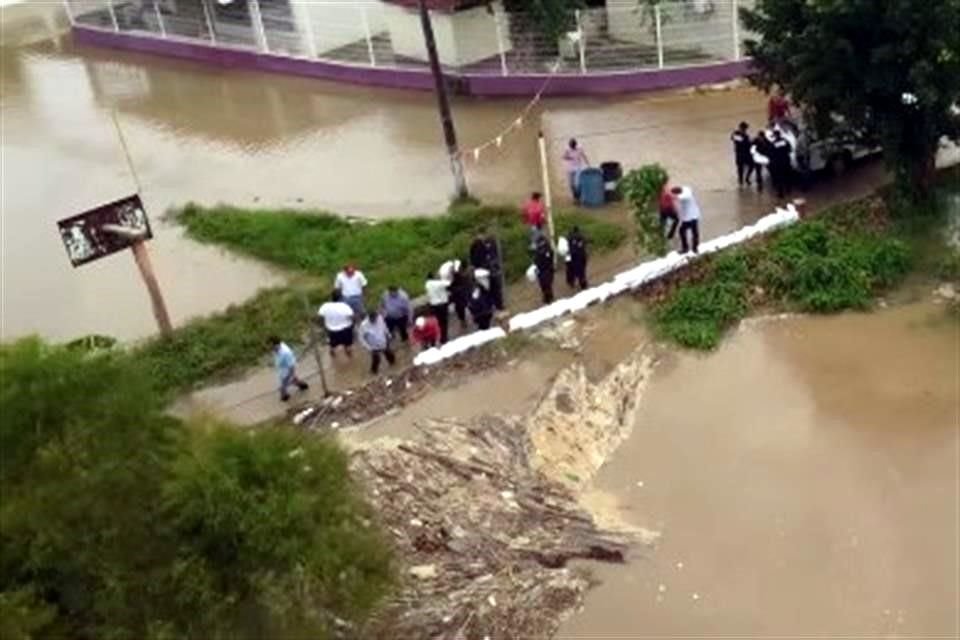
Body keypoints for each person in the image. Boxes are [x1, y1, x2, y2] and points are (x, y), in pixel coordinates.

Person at [469, 232, 504, 310]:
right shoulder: (480, 245)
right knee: (493, 288)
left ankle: (489, 306)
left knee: (485, 290)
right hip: (484, 269)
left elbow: (472, 259)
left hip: (479, 270)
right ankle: (498, 305)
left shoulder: (473, 246)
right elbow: (486, 255)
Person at [269, 336, 308, 402]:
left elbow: (291, 366)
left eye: (272, 346)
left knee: (283, 387)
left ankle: (284, 397)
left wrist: (289, 376)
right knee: (293, 381)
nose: (271, 348)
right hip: (282, 369)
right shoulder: (277, 348)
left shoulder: (286, 353)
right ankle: (302, 386)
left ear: (276, 345)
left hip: (287, 372)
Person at [317, 290, 355, 358]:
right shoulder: (345, 306)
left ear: (331, 297)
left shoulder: (325, 306)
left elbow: (320, 317)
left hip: (332, 331)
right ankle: (350, 358)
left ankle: (333, 356)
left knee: (332, 346)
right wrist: (352, 325)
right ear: (341, 298)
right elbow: (352, 317)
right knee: (348, 346)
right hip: (345, 330)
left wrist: (323, 326)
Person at [358, 310, 396, 375]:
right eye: (373, 319)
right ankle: (373, 373)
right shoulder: (363, 325)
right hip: (373, 346)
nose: (375, 320)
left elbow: (384, 327)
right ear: (369, 318)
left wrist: (388, 335)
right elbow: (361, 338)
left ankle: (395, 368)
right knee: (376, 360)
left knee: (390, 355)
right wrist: (368, 347)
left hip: (383, 342)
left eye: (376, 318)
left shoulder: (380, 318)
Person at [671, 186, 702, 254]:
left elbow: (677, 197)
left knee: (682, 231)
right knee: (695, 232)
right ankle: (695, 248)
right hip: (695, 215)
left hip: (688, 218)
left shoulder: (683, 197)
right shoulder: (687, 190)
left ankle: (685, 248)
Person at [424, 271, 451, 344]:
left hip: (433, 305)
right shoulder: (438, 283)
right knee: (443, 322)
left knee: (436, 323)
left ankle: (433, 340)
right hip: (441, 305)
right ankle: (443, 338)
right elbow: (449, 283)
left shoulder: (427, 284)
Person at [562, 138, 589, 202]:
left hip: (578, 167)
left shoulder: (580, 148)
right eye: (571, 147)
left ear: (575, 145)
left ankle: (579, 195)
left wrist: (588, 164)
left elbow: (584, 155)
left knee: (577, 183)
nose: (572, 148)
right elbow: (564, 157)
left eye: (573, 147)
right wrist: (569, 157)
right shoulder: (567, 149)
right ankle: (575, 196)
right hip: (570, 168)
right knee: (571, 184)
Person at [769, 129, 794, 199]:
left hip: (778, 163)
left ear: (775, 136)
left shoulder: (773, 144)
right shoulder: (785, 141)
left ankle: (781, 194)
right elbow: (790, 150)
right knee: (787, 177)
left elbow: (771, 154)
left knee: (779, 178)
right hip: (786, 161)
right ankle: (788, 190)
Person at [532, 234, 555, 304]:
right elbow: (551, 255)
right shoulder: (546, 248)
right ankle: (548, 296)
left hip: (543, 269)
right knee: (547, 284)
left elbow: (536, 260)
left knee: (545, 284)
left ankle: (548, 297)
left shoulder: (540, 250)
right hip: (547, 268)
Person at [731, 121, 755, 187]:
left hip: (741, 153)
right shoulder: (741, 135)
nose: (745, 130)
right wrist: (751, 142)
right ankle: (741, 179)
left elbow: (733, 138)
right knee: (741, 167)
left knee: (749, 166)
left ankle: (745, 178)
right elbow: (745, 143)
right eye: (745, 128)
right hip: (743, 154)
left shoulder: (738, 134)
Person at [565, 226, 588, 290]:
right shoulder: (580, 236)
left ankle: (571, 282)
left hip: (572, 256)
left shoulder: (569, 238)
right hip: (581, 255)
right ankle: (583, 284)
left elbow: (567, 250)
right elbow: (585, 242)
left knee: (571, 270)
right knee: (581, 271)